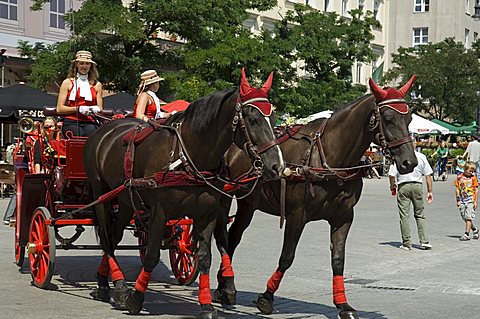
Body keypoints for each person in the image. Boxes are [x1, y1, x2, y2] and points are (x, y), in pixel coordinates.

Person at [389, 139, 433, 250]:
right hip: (417, 185)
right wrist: (429, 191)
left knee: (404, 215)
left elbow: (391, 174)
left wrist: (392, 186)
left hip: (403, 186)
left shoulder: (398, 157)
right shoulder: (421, 156)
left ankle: (407, 243)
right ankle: (424, 241)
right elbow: (428, 175)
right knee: (420, 214)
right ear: (415, 145)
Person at [56, 50, 103, 137]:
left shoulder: (97, 85)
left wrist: (95, 109)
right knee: (77, 133)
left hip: (90, 121)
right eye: (81, 63)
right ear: (76, 65)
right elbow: (59, 109)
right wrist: (78, 109)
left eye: (87, 64)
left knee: (92, 134)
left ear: (91, 66)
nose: (84, 66)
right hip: (71, 120)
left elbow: (100, 109)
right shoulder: (67, 82)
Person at [455, 161, 479, 241]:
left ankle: (466, 234)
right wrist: (458, 199)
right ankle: (474, 229)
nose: (472, 173)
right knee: (464, 217)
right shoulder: (459, 177)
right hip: (462, 200)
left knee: (468, 217)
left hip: (470, 200)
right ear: (465, 169)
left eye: (473, 171)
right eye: (470, 171)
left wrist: (475, 201)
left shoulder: (473, 178)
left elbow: (476, 190)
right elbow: (457, 189)